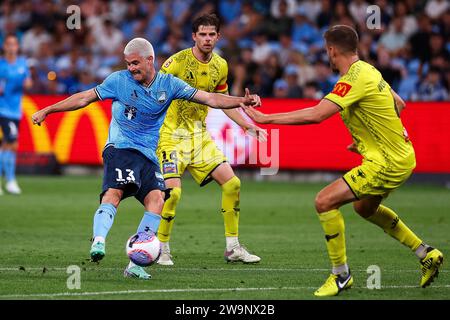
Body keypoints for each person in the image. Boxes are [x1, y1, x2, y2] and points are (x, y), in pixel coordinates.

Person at [31, 37, 261, 280]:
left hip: (149, 154)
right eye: (128, 64)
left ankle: (135, 265)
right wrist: (48, 109)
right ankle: (98, 241)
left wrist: (241, 101)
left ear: (150, 60)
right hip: (121, 148)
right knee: (115, 193)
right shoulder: (118, 81)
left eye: (135, 63)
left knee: (157, 200)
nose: (131, 68)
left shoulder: (169, 84)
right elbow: (83, 98)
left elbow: (210, 98)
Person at [243, 25, 444, 297]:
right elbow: (399, 105)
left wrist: (266, 119)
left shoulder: (353, 78)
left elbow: (316, 115)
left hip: (385, 162)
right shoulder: (371, 70)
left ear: (331, 50)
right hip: (401, 156)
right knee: (364, 208)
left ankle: (341, 275)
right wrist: (368, 141)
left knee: (324, 201)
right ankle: (426, 253)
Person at [156, 13, 266, 266]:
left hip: (199, 138)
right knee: (172, 194)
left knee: (233, 184)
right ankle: (161, 248)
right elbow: (154, 95)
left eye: (211, 34)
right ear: (194, 36)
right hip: (171, 137)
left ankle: (233, 247)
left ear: (218, 36)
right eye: (202, 34)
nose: (207, 39)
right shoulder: (175, 63)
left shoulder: (221, 66)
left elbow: (222, 102)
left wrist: (247, 126)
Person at [0, 34, 33, 195]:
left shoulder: (22, 64)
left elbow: (28, 82)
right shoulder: (1, 65)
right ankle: (11, 180)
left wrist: (26, 82)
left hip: (15, 110)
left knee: (10, 144)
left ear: (17, 47)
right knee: (11, 142)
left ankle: (8, 180)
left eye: (14, 44)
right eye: (9, 44)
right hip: (3, 109)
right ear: (5, 46)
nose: (12, 47)